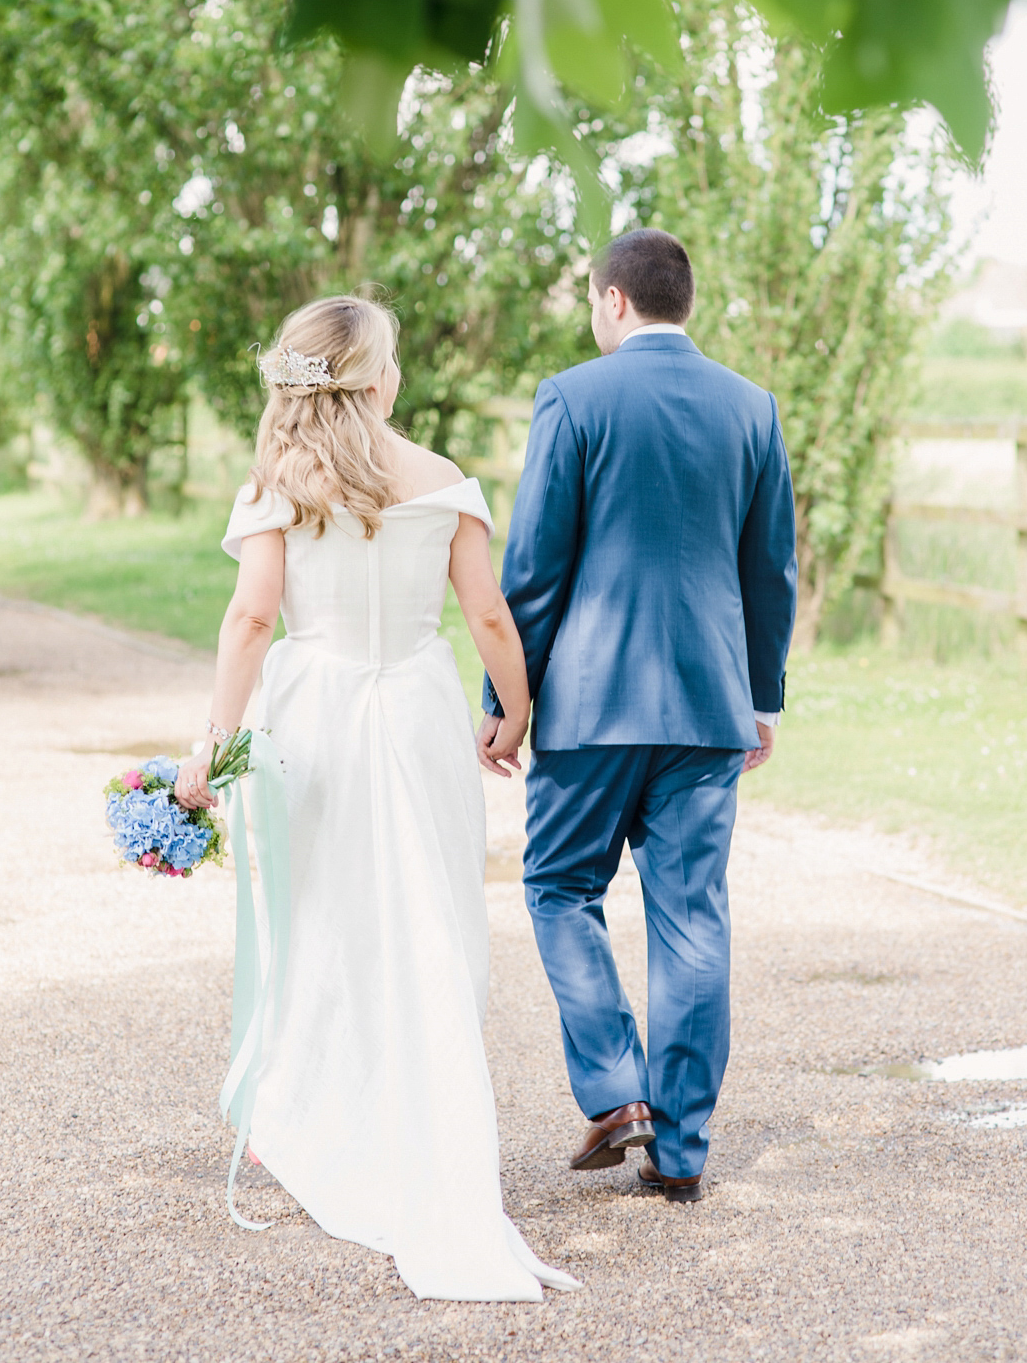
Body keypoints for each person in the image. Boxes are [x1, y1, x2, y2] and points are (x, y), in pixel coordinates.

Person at [174, 295, 578, 1302]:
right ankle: (421, 1109)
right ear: (377, 377)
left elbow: (251, 616)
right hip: (414, 709)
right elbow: (486, 611)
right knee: (429, 913)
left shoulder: (280, 485)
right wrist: (514, 712)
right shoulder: (443, 483)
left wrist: (212, 745)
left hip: (311, 716)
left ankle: (312, 1117)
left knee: (320, 916)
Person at [479, 228, 797, 1204]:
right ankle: (685, 1149)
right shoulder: (752, 407)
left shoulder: (575, 395)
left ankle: (617, 1091)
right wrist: (760, 695)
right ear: (679, 301)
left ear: (612, 301)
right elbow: (770, 571)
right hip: (707, 707)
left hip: (591, 703)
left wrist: (504, 700)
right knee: (692, 917)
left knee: (559, 886)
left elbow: (533, 567)